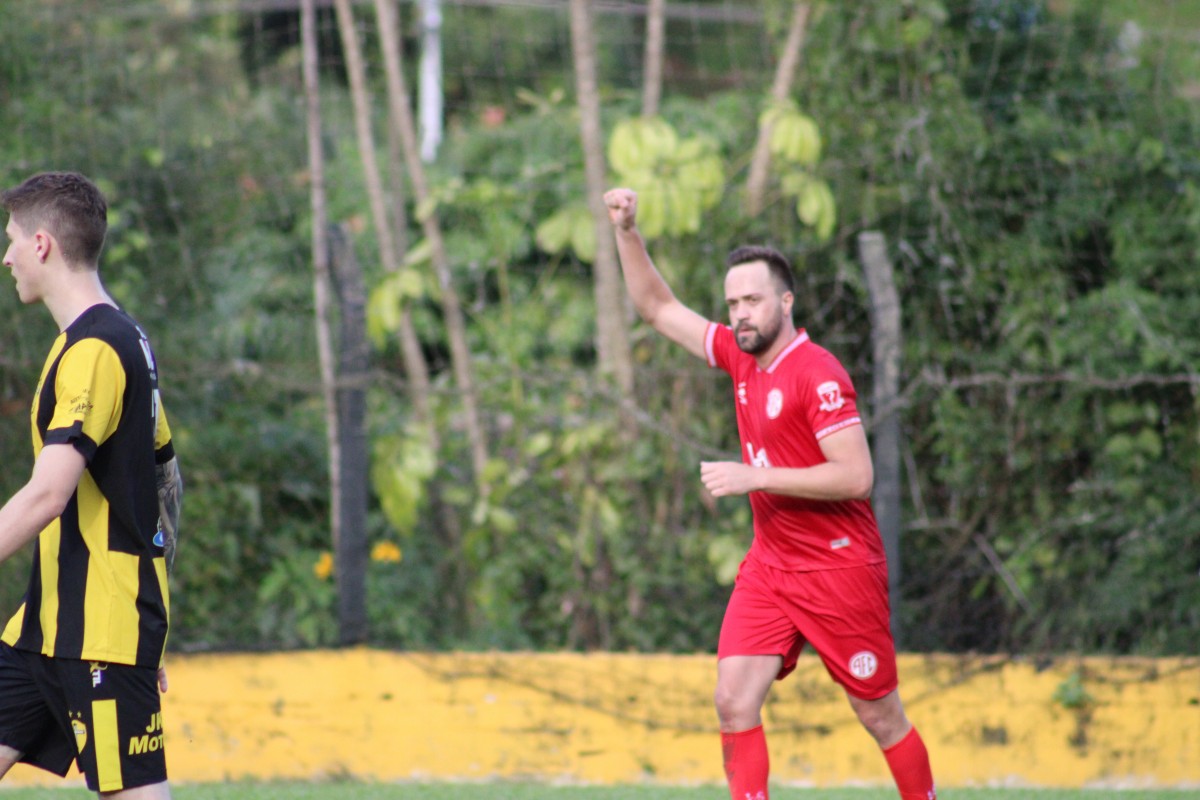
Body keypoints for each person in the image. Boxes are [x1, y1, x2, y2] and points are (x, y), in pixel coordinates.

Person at [604, 187, 935, 800]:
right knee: (733, 701)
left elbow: (856, 476)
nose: (740, 315)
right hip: (772, 568)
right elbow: (657, 308)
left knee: (880, 716)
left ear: (785, 301)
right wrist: (627, 232)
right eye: (732, 303)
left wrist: (758, 477)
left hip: (839, 569)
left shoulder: (819, 374)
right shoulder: (741, 358)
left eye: (752, 300)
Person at [0, 172, 181, 798]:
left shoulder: (97, 350)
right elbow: (167, 481)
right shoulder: (112, 339)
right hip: (41, 633)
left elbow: (47, 495)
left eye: (12, 240)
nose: (7, 258)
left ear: (42, 244)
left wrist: (145, 629)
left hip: (102, 633)